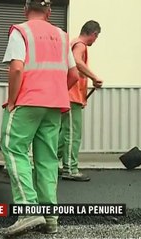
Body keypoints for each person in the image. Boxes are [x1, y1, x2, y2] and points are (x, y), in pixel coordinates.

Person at [0, 0, 79, 236]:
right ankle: (50, 219)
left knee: (14, 150)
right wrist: (55, 91)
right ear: (49, 11)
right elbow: (74, 74)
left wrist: (13, 100)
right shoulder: (63, 36)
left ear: (25, 9)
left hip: (27, 103)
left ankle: (28, 210)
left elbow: (16, 68)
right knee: (47, 161)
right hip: (54, 106)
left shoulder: (21, 30)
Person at [57, 20, 103, 181]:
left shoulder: (72, 43)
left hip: (68, 95)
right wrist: (95, 77)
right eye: (96, 38)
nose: (95, 41)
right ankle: (70, 168)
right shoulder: (80, 45)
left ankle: (47, 162)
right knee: (72, 134)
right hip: (71, 96)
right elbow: (77, 61)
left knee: (63, 134)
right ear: (94, 34)